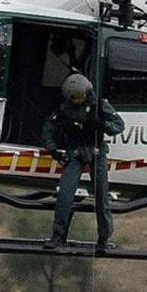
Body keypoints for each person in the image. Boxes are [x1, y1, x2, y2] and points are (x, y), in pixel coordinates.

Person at [45, 64, 121, 252]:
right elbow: (49, 129)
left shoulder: (99, 106)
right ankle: (58, 236)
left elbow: (118, 125)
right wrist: (53, 149)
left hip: (96, 152)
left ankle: (103, 238)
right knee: (64, 194)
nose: (76, 100)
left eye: (78, 97)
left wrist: (101, 125)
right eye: (73, 98)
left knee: (101, 196)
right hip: (75, 153)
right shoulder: (64, 109)